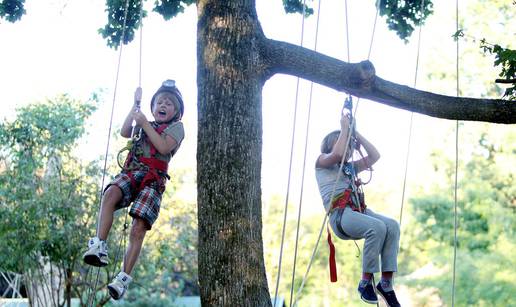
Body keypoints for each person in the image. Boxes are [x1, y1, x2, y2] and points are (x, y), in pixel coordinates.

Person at [82, 80, 185, 300]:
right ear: (153, 106)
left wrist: (145, 123)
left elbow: (164, 146)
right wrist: (135, 105)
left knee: (138, 226)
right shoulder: (143, 122)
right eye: (160, 101)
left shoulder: (176, 128)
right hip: (133, 170)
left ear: (175, 112)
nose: (163, 105)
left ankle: (122, 279)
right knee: (110, 193)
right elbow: (125, 131)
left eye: (169, 103)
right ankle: (99, 244)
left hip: (152, 179)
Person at [315, 112, 401, 307]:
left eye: (349, 144)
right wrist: (344, 128)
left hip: (358, 212)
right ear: (331, 145)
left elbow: (375, 156)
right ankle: (364, 282)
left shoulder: (349, 168)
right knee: (377, 227)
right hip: (341, 216)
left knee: (392, 226)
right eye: (343, 142)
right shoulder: (322, 162)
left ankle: (386, 284)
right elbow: (336, 154)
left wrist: (356, 133)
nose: (347, 147)